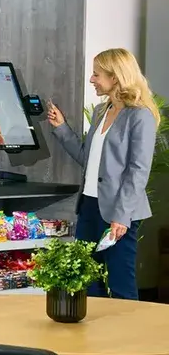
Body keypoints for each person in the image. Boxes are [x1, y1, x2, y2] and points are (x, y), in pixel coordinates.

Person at [47, 48, 159, 300]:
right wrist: (62, 128)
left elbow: (138, 170)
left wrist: (121, 216)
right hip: (88, 206)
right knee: (87, 280)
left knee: (120, 281)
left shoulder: (140, 116)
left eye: (96, 74)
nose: (92, 80)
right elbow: (87, 157)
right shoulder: (101, 111)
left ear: (115, 77)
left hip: (119, 211)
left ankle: (128, 336)